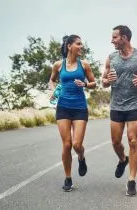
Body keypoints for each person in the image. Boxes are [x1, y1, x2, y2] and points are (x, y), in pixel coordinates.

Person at [102, 25, 137, 196]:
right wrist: (107, 80)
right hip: (117, 105)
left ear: (125, 37)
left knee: (133, 140)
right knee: (115, 142)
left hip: (135, 103)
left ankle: (131, 180)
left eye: (115, 37)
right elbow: (103, 81)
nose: (112, 41)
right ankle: (122, 159)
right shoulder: (111, 58)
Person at [49, 34, 96, 192]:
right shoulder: (58, 65)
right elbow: (52, 80)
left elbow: (94, 83)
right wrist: (53, 90)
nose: (81, 46)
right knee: (67, 144)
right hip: (63, 107)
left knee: (76, 144)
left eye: (81, 44)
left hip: (80, 108)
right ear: (69, 46)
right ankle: (68, 178)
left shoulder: (85, 65)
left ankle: (81, 158)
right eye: (78, 44)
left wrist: (85, 84)